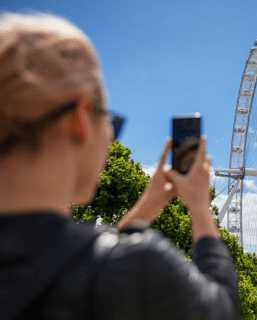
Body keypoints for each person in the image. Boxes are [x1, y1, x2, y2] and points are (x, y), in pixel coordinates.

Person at [0, 12, 240, 319]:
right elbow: (222, 309)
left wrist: (146, 208)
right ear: (81, 119)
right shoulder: (138, 266)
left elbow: (81, 259)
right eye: (111, 120)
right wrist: (201, 209)